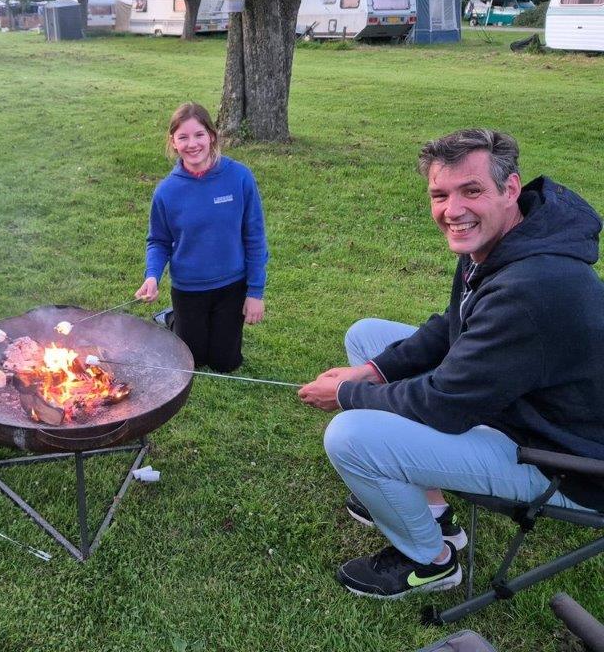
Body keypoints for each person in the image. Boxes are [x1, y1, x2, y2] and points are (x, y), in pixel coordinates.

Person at [299, 128, 604, 599]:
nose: (452, 210)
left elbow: (443, 404)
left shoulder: (533, 287)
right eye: (440, 194)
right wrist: (373, 372)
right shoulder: (507, 239)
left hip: (563, 459)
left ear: (511, 188)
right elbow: (453, 323)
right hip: (521, 402)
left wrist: (345, 393)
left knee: (350, 436)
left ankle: (430, 559)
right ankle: (434, 511)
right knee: (368, 338)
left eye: (471, 191)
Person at [135, 102, 268, 372]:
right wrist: (152, 276)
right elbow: (159, 241)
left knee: (225, 363)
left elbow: (254, 236)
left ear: (212, 136)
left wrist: (255, 292)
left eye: (199, 135)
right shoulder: (166, 191)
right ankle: (174, 317)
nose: (192, 144)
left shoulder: (239, 177)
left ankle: (191, 323)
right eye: (182, 137)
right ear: (173, 142)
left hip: (232, 286)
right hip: (188, 289)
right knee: (193, 362)